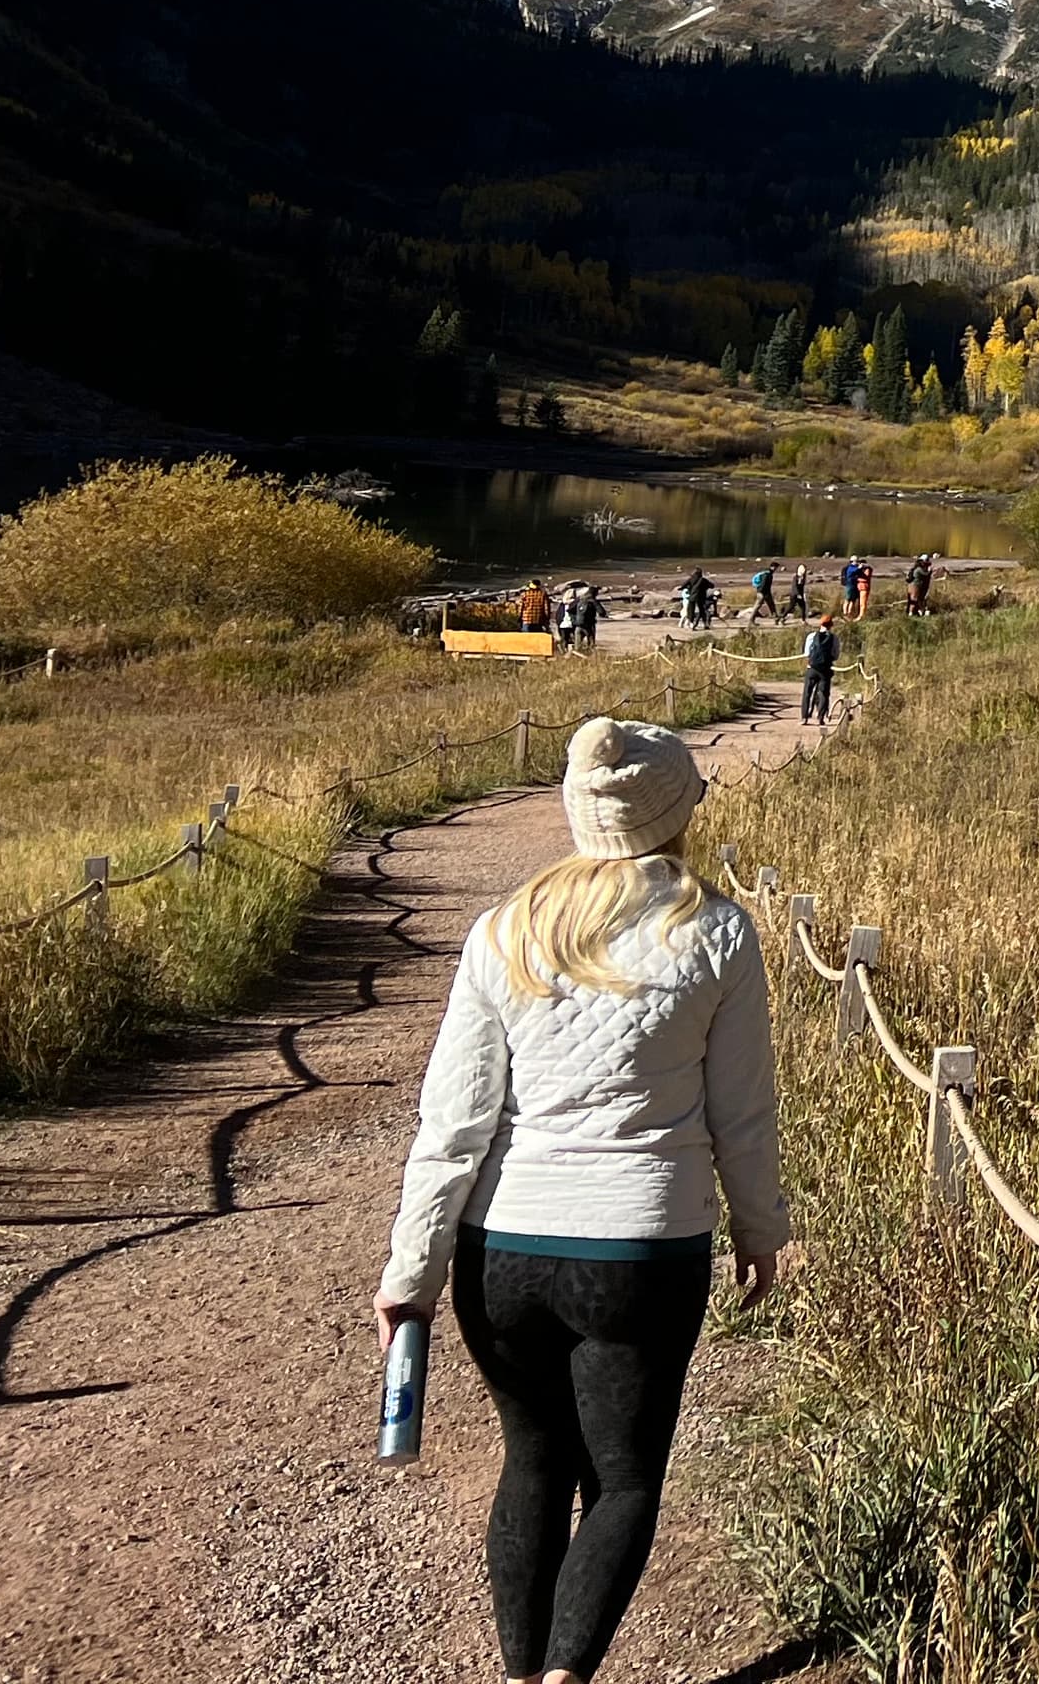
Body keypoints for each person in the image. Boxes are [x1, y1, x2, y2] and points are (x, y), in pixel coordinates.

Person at [376, 719, 789, 1684]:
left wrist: (412, 1271)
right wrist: (763, 1230)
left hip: (502, 1250)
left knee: (531, 1463)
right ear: (679, 810)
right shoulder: (719, 931)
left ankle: (523, 1675)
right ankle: (566, 1676)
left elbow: (454, 1123)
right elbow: (744, 1114)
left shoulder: (506, 929)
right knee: (624, 1480)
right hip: (644, 1246)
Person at [800, 612, 838, 726]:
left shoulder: (812, 636)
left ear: (820, 624)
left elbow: (807, 653)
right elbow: (836, 655)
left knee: (807, 692)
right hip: (825, 669)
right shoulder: (834, 638)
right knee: (823, 693)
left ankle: (804, 718)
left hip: (811, 668)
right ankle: (821, 717)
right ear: (831, 625)